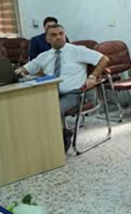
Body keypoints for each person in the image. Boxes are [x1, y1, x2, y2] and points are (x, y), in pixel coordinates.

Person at [17, 23, 110, 152]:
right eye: (54, 35)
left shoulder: (77, 50)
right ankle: (41, 140)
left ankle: (61, 139)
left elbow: (104, 59)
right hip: (50, 92)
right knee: (30, 107)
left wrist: (92, 76)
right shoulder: (44, 56)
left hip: (73, 94)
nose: (58, 37)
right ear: (47, 39)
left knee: (54, 109)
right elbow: (26, 68)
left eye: (61, 34)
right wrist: (18, 71)